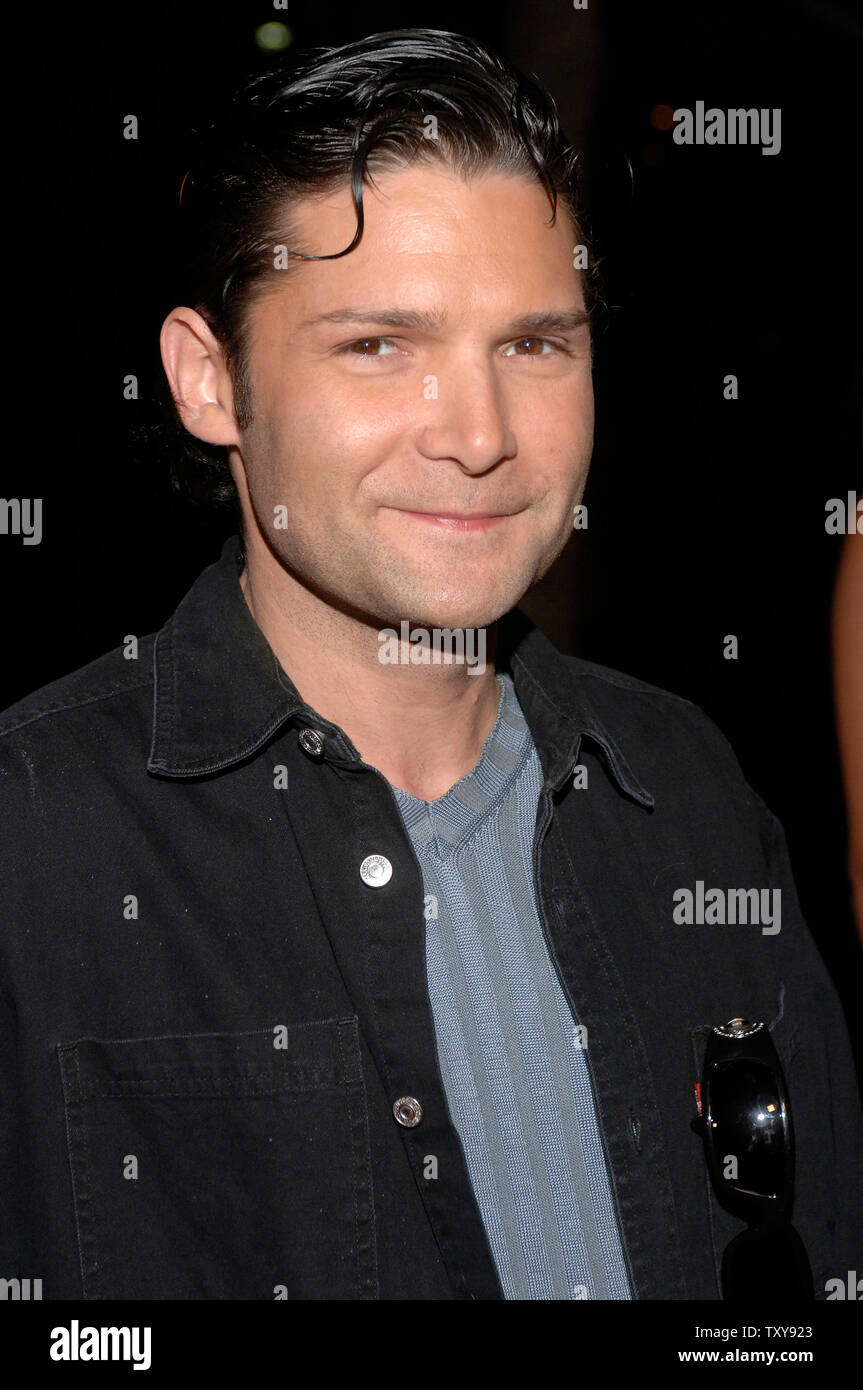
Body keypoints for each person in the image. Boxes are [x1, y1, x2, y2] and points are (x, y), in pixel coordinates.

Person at [1, 28, 860, 1302]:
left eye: (533, 345)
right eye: (378, 346)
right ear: (208, 380)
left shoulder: (685, 788)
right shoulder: (35, 843)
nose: (478, 435)